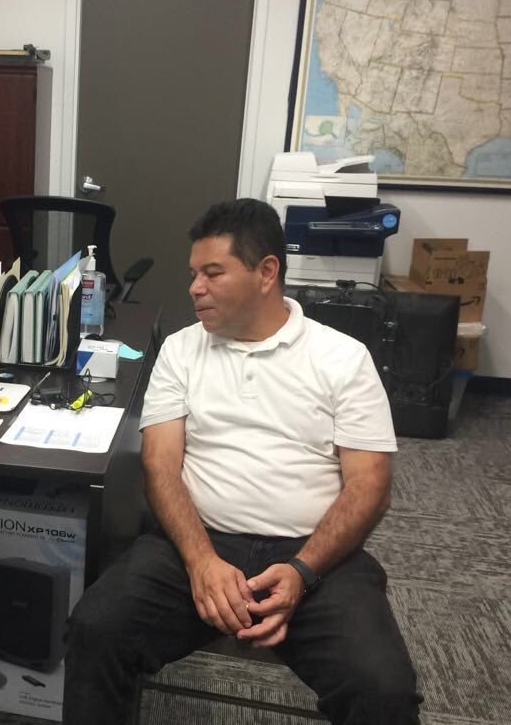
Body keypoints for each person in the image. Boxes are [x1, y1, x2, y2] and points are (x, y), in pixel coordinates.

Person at [63, 198, 419, 724]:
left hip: (314, 556)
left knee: (383, 688)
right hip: (198, 543)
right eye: (193, 274)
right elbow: (160, 466)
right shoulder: (181, 350)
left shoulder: (343, 358)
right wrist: (201, 561)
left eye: (213, 273)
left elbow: (370, 486)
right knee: (96, 630)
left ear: (266, 273)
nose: (194, 288)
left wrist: (302, 571)